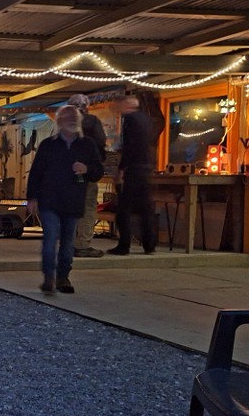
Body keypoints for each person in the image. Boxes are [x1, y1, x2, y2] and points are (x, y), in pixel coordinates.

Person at [26, 105, 104, 294]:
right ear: (59, 122)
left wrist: (87, 169)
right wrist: (32, 198)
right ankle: (48, 277)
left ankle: (63, 277)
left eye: (74, 117)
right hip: (49, 201)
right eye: (66, 116)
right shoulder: (48, 145)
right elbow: (36, 173)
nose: (71, 120)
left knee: (68, 242)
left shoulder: (88, 145)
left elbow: (98, 171)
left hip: (73, 201)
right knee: (51, 238)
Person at [108, 93, 156, 255]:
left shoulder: (129, 120)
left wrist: (121, 169)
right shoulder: (146, 119)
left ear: (125, 105)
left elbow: (129, 147)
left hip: (134, 168)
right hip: (146, 167)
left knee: (123, 208)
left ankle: (124, 245)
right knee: (145, 208)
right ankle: (149, 244)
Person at [67, 94, 108, 257]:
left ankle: (68, 242)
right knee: (88, 207)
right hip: (87, 171)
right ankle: (82, 244)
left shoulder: (64, 123)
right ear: (86, 106)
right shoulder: (92, 121)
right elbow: (101, 142)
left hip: (66, 174)